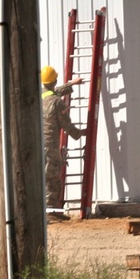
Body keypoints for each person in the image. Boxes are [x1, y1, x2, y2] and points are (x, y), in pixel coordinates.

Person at [41, 65, 85, 215]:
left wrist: (72, 84)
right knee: (52, 176)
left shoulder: (40, 96)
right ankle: (51, 211)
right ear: (55, 80)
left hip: (37, 144)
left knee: (41, 174)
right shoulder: (57, 102)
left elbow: (53, 92)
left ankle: (43, 209)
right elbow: (66, 124)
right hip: (50, 144)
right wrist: (79, 133)